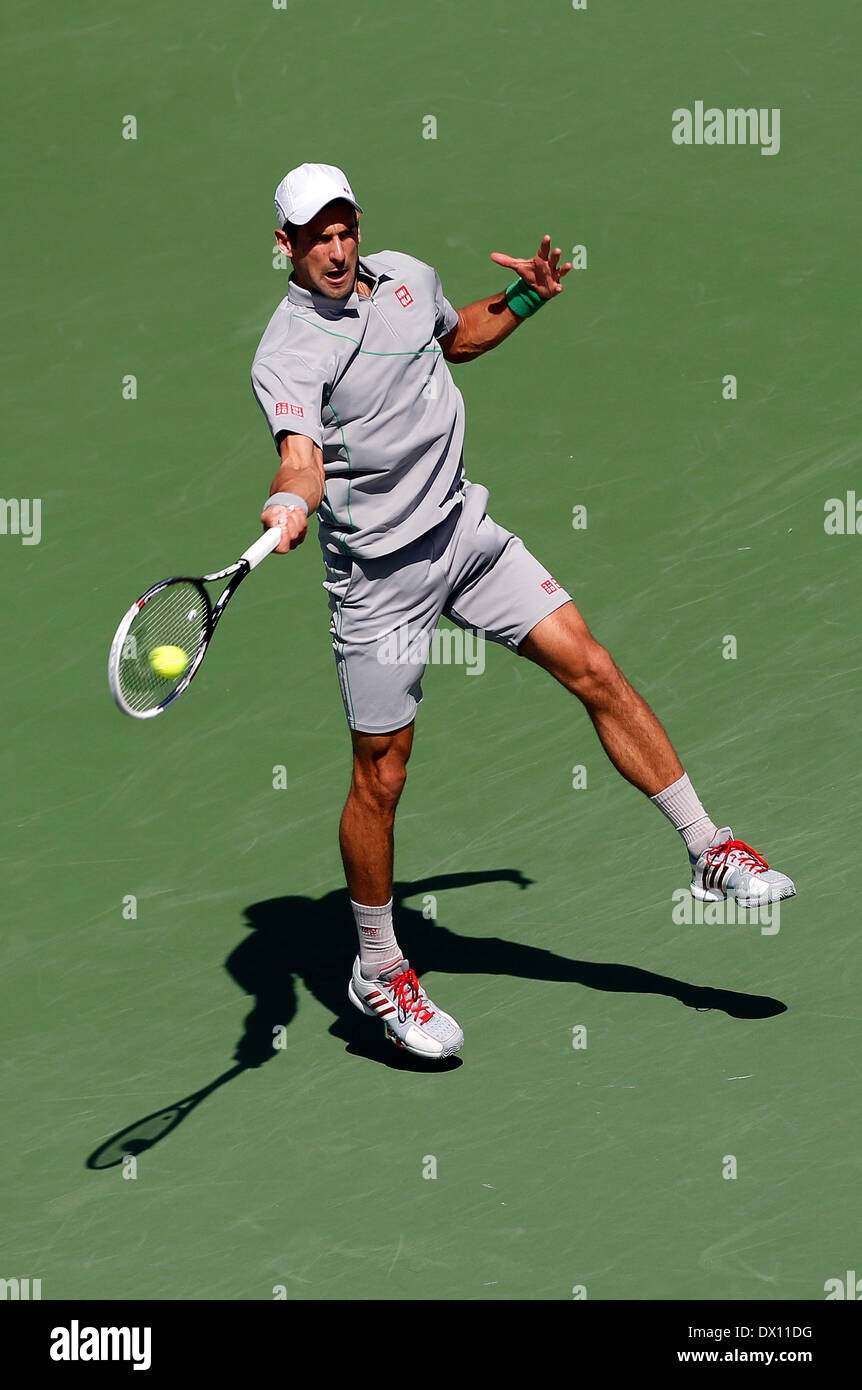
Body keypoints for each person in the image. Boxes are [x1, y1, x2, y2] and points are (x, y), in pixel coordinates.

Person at [250, 162, 795, 1061]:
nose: (338, 249)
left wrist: (525, 300)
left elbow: (453, 338)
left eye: (347, 229)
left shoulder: (404, 277)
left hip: (462, 532)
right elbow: (300, 454)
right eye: (319, 237)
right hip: (380, 577)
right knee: (381, 777)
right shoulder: (288, 350)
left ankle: (709, 847)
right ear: (287, 247)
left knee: (592, 664)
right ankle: (380, 970)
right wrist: (291, 498)